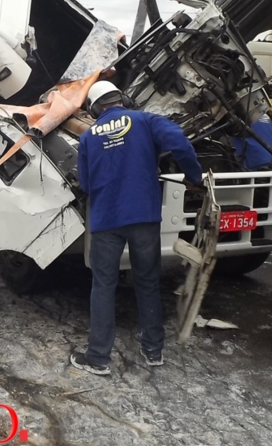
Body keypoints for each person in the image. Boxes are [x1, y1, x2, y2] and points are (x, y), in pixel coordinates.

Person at [69, 80, 204, 376]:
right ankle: (153, 350)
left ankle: (98, 358)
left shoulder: (89, 137)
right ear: (122, 98)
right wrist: (194, 175)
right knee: (147, 281)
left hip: (107, 221)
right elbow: (179, 141)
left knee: (103, 285)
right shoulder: (146, 120)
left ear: (94, 108)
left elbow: (87, 184)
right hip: (143, 216)